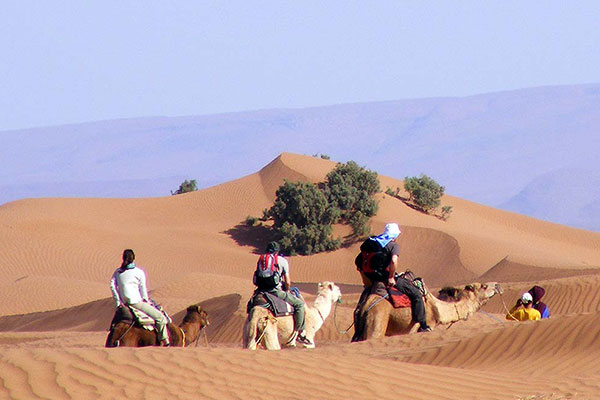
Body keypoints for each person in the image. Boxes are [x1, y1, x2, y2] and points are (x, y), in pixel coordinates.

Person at [358, 223, 432, 333]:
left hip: (372, 280)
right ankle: (422, 325)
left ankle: (357, 332)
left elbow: (358, 262)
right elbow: (393, 261)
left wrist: (366, 279)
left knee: (361, 306)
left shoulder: (373, 243)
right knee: (416, 293)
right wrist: (391, 277)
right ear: (395, 235)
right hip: (386, 278)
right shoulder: (393, 245)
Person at [253, 241, 310, 346]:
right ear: (277, 251)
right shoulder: (282, 261)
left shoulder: (262, 260)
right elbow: (287, 281)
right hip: (275, 290)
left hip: (260, 290)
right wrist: (287, 290)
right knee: (299, 304)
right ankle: (301, 333)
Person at [110, 249, 170, 346]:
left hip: (123, 303)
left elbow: (112, 286)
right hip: (136, 303)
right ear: (134, 258)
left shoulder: (117, 272)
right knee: (160, 318)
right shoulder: (139, 272)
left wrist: (118, 302)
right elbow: (143, 289)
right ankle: (165, 342)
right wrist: (146, 301)